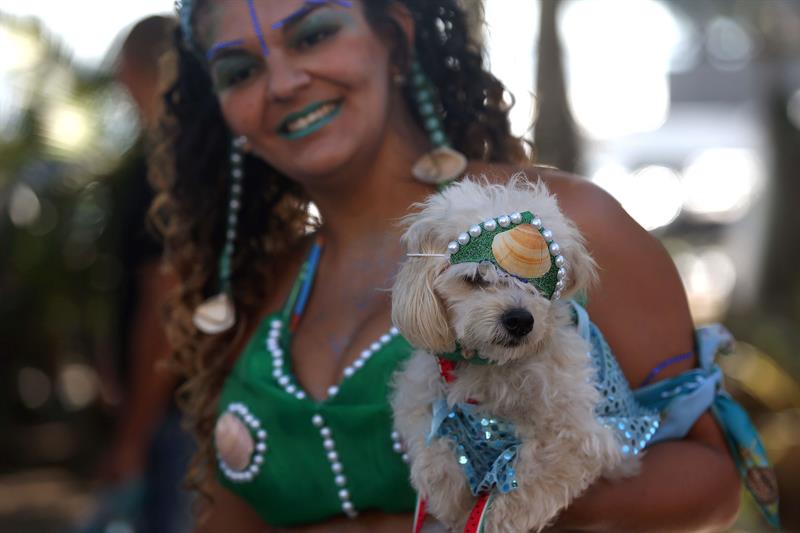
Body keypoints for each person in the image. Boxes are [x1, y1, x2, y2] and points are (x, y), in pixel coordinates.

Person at [151, 0, 774, 531]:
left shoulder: (567, 227)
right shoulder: (260, 290)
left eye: (315, 35)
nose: (283, 83)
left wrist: (510, 501)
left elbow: (713, 483)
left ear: (395, 36)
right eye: (239, 70)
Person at [82, 15, 193, 533]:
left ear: (139, 68)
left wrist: (131, 435)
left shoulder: (168, 167)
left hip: (176, 419)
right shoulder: (198, 162)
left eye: (123, 69)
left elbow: (168, 302)